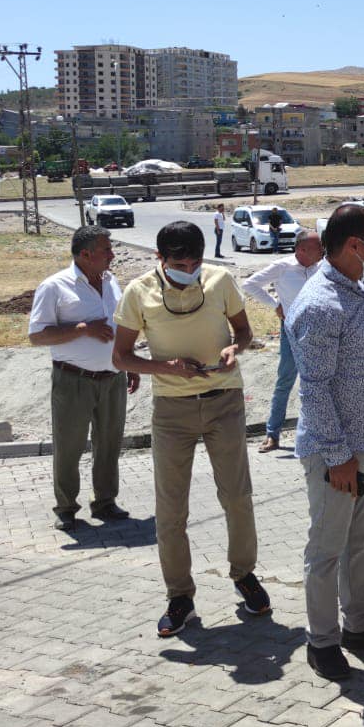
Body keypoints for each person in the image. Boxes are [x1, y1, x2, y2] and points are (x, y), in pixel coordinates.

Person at [112, 221, 269, 638]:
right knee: (171, 509)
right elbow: (121, 357)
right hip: (172, 410)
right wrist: (167, 367)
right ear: (159, 259)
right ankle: (179, 595)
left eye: (195, 263)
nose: (189, 270)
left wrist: (236, 347)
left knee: (237, 496)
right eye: (179, 265)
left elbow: (244, 330)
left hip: (224, 401)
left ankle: (244, 574)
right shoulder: (138, 291)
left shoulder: (220, 280)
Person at [289, 203, 364, 681]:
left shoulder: (353, 289)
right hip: (334, 454)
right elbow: (313, 389)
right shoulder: (320, 304)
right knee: (326, 550)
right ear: (355, 245)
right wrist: (338, 458)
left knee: (359, 544)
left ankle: (359, 625)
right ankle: (322, 641)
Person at [28, 226, 141, 531]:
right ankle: (66, 507)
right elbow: (37, 336)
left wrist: (129, 362)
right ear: (85, 254)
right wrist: (82, 329)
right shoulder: (54, 286)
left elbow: (120, 327)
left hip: (113, 377)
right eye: (106, 250)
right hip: (73, 380)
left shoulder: (111, 281)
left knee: (109, 444)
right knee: (69, 446)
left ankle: (105, 501)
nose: (112, 255)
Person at [242, 230, 325, 452]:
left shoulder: (322, 267)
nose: (322, 250)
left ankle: (320, 434)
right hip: (292, 332)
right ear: (302, 249)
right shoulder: (282, 267)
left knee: (320, 383)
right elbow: (249, 285)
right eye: (318, 246)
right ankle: (272, 434)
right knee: (285, 382)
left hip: (320, 332)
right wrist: (275, 305)